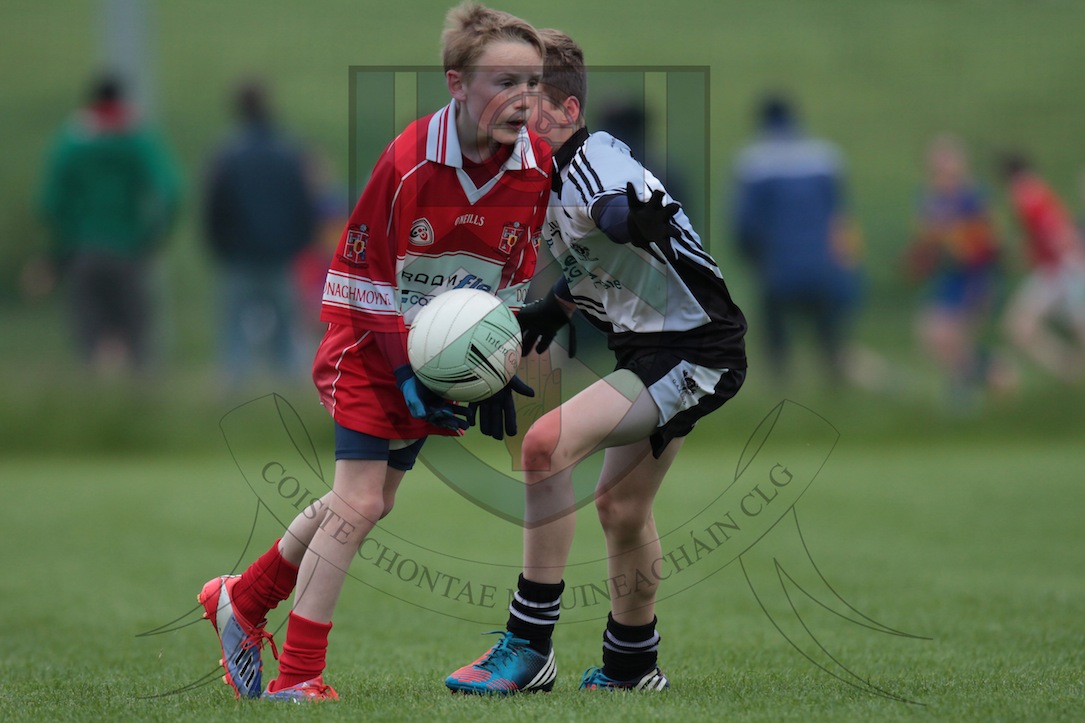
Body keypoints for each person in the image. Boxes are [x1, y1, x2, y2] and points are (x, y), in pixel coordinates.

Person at [197, 2, 551, 702]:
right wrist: (400, 369)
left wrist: (491, 367)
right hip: (367, 339)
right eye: (501, 81)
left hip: (431, 355)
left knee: (370, 499)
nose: (522, 99)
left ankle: (242, 597)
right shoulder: (411, 159)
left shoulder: (536, 168)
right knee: (359, 501)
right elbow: (362, 276)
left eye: (533, 82)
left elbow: (508, 283)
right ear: (456, 83)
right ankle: (298, 676)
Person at [444, 29, 747, 694]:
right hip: (657, 346)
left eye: (526, 101)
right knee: (621, 506)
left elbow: (615, 206)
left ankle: (528, 645)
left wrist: (623, 215)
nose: (508, 115)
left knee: (544, 448)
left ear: (568, 112)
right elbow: (594, 268)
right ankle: (632, 666)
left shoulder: (593, 165)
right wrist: (538, 321)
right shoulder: (545, 175)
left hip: (695, 350)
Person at [38, 72, 180, 375]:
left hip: (84, 252)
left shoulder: (72, 140)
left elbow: (48, 202)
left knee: (89, 345)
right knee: (140, 345)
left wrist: (67, 240)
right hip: (129, 250)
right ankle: (142, 411)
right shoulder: (137, 139)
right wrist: (152, 236)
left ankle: (94, 411)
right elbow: (171, 191)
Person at [731, 93, 860, 386]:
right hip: (824, 265)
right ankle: (836, 383)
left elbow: (744, 225)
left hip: (777, 267)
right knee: (829, 335)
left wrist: (754, 259)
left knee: (775, 332)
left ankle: (779, 387)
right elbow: (840, 217)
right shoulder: (826, 158)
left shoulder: (754, 162)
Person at [203, 79, 319, 386]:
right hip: (281, 256)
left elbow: (214, 206)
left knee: (235, 332)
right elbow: (304, 203)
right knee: (285, 331)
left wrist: (220, 246)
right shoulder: (289, 153)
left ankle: (235, 394)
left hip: (239, 256)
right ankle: (289, 395)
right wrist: (300, 243)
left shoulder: (227, 155)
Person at [904, 134, 1004, 407]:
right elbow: (926, 242)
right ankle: (992, 377)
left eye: (947, 164)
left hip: (972, 277)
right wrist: (921, 257)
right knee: (935, 337)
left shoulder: (972, 196)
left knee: (950, 337)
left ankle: (975, 388)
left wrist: (956, 240)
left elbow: (989, 242)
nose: (942, 171)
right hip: (948, 278)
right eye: (937, 166)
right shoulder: (929, 197)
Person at [999, 152, 1085, 382]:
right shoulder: (1034, 195)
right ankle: (1070, 368)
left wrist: (1071, 266)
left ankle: (1069, 368)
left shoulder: (1029, 196)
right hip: (1054, 270)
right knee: (1019, 325)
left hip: (1064, 270)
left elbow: (1059, 233)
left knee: (1021, 325)